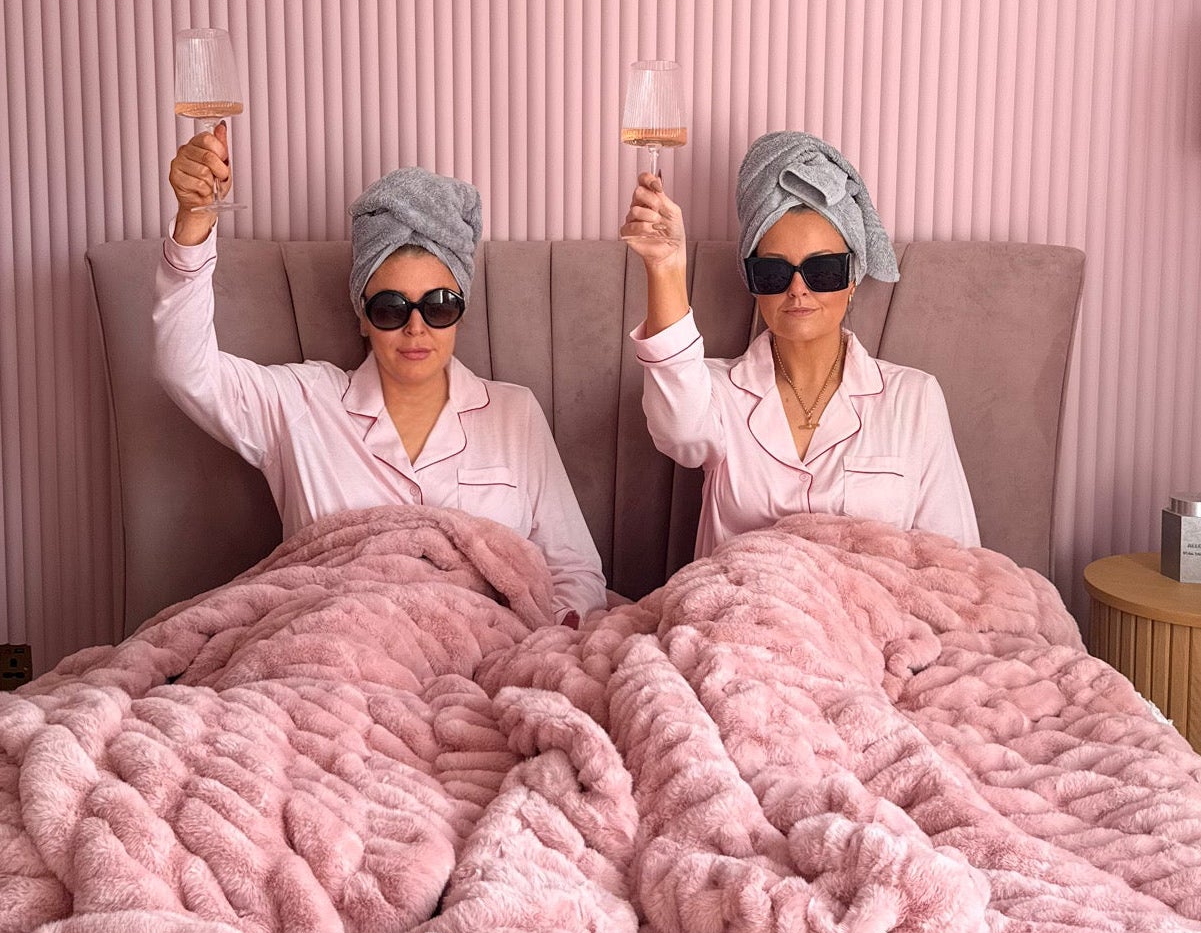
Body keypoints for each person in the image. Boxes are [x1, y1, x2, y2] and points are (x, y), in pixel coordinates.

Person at [155, 125, 606, 624]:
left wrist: (546, 645)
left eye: (438, 305)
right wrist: (194, 223)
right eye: (391, 308)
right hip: (336, 657)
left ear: (461, 311)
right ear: (363, 318)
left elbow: (576, 571)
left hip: (492, 658)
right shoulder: (303, 404)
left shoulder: (514, 413)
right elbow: (186, 370)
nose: (416, 327)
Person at [620, 130, 979, 557]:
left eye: (823, 269)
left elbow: (954, 559)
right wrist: (665, 268)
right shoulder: (716, 394)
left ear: (852, 279)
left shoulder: (914, 398)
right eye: (773, 272)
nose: (797, 290)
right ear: (753, 285)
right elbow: (677, 429)